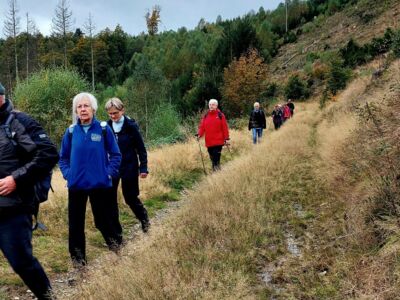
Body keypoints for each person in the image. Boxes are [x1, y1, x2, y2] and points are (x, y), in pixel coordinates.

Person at [0, 83, 58, 299]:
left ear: (2, 97)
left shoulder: (20, 121)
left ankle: (47, 296)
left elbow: (48, 154)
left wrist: (16, 179)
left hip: (13, 209)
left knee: (21, 262)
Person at [59, 92, 123, 267]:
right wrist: (68, 174)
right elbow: (63, 158)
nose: (82, 109)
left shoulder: (103, 129)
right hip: (76, 185)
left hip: (99, 185)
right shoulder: (71, 132)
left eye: (86, 105)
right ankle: (79, 262)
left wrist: (108, 173)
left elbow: (116, 155)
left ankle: (116, 248)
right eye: (79, 107)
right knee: (75, 225)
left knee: (103, 220)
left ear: (93, 109)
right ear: (76, 111)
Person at [105, 98, 150, 233]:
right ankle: (116, 231)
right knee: (110, 200)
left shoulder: (131, 126)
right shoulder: (106, 127)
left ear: (122, 110)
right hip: (113, 168)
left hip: (129, 166)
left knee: (130, 197)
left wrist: (143, 167)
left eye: (115, 113)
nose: (113, 116)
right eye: (110, 113)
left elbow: (141, 148)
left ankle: (144, 219)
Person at [197, 99, 230, 171]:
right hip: (209, 141)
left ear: (216, 106)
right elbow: (202, 127)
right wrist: (199, 134)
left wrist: (226, 138)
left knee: (216, 156)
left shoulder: (220, 115)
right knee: (212, 157)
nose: (211, 106)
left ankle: (216, 171)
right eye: (210, 105)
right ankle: (216, 167)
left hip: (218, 141)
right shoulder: (206, 116)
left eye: (213, 104)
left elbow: (225, 127)